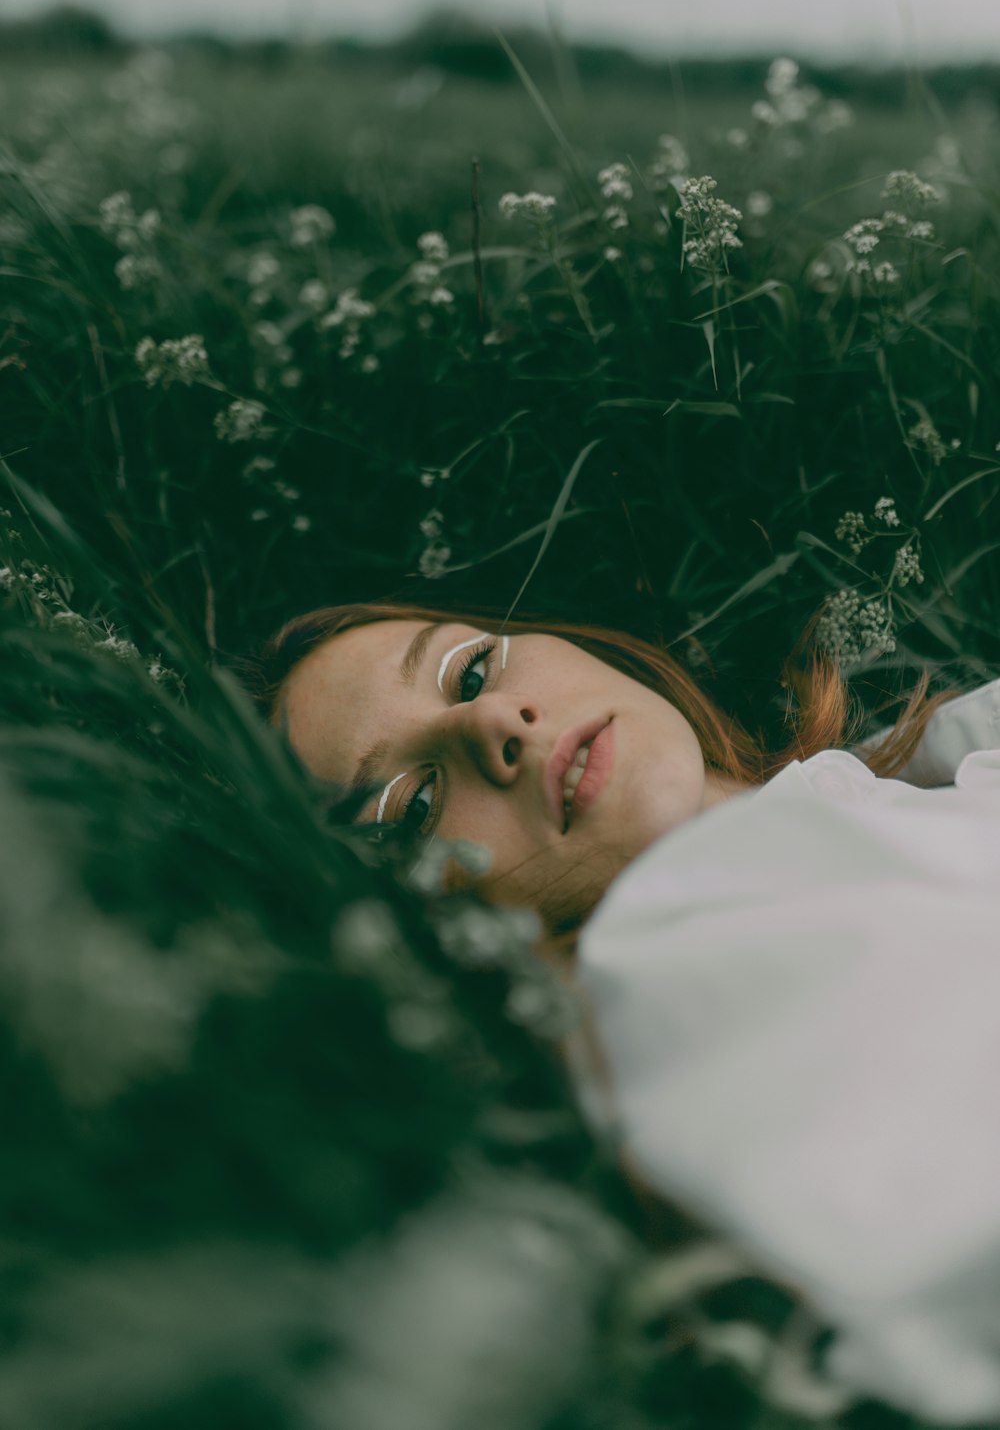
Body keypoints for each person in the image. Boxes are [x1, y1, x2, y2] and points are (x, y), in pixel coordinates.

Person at [246, 595, 1000, 1425]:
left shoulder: (923, 772)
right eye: (415, 806)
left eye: (470, 669)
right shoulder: (655, 1001)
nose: (495, 720)